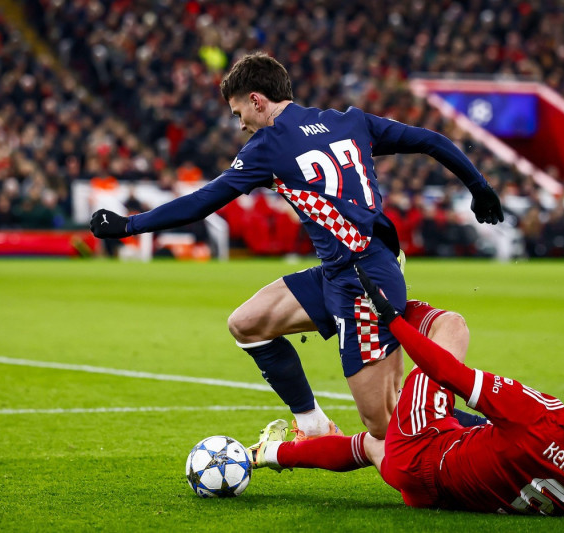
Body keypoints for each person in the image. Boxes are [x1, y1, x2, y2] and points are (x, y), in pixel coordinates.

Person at [89, 52, 504, 440]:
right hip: (343, 269)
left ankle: (493, 429)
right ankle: (313, 423)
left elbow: (203, 201)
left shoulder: (267, 147)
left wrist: (129, 225)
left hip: (361, 282)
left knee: (384, 422)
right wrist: (479, 187)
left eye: (239, 114)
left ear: (257, 100)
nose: (240, 125)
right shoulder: (350, 121)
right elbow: (430, 139)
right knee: (247, 324)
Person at [247, 265, 564, 516]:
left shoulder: (536, 411)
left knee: (451, 327)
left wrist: (395, 320)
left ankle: (381, 284)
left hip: (423, 452)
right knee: (372, 445)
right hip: (434, 492)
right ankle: (269, 454)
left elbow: (448, 372)